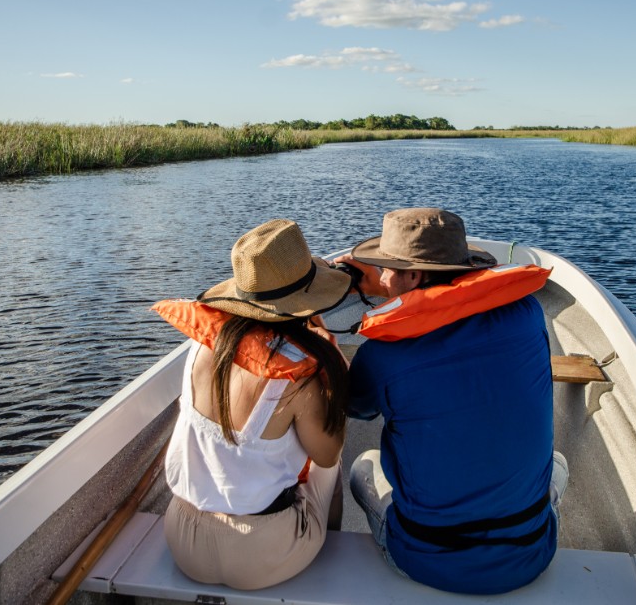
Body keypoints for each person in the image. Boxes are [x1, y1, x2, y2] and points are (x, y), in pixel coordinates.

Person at [334, 207, 568, 595]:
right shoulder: (529, 313)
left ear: (412, 275)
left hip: (423, 559)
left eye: (387, 269)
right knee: (557, 463)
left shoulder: (387, 352)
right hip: (531, 554)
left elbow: (355, 406)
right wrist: (391, 290)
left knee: (362, 466)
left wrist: (333, 339)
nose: (383, 276)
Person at [151, 219, 353, 590]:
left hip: (183, 537)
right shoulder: (299, 377)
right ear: (306, 302)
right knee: (332, 465)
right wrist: (333, 368)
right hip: (261, 555)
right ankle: (330, 562)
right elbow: (326, 454)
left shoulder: (201, 345)